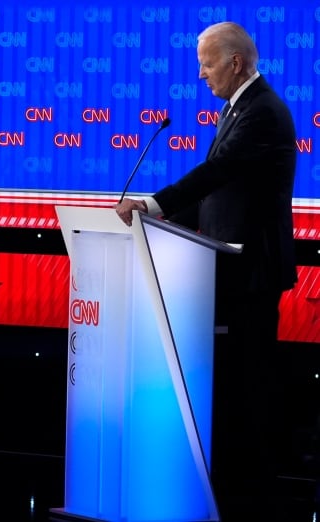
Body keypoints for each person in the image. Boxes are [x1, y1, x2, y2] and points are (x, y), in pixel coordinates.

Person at [115, 21, 297, 519]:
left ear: (235, 62)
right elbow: (221, 194)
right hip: (229, 271)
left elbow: (218, 173)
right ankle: (229, 490)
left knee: (250, 386)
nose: (200, 74)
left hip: (251, 272)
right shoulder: (237, 109)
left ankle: (255, 499)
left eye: (207, 63)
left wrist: (154, 204)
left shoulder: (262, 112)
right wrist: (166, 219)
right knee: (233, 388)